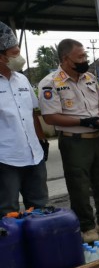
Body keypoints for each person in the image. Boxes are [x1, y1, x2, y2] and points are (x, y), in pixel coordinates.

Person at [38, 39, 99, 242]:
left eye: (85, 55)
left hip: (97, 139)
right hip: (74, 141)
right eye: (80, 57)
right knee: (79, 186)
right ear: (65, 59)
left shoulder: (89, 78)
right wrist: (84, 121)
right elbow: (50, 117)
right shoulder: (50, 83)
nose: (85, 60)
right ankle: (87, 226)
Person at [0, 22, 49, 217]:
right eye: (14, 53)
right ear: (1, 56)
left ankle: (40, 246)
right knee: (7, 212)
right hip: (5, 159)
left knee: (40, 208)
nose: (19, 58)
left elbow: (31, 112)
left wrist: (42, 139)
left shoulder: (22, 79)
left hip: (34, 156)